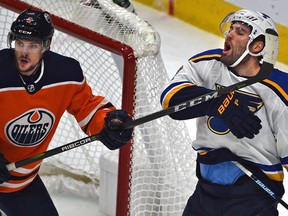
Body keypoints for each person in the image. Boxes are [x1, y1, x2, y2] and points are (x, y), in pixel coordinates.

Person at [0, 9, 133, 216]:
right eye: (19, 44)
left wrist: (108, 122)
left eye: (32, 45)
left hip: (21, 183)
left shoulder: (65, 73)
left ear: (46, 45)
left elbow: (88, 107)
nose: (23, 53)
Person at [160, 9, 287, 216]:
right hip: (205, 192)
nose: (230, 34)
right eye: (231, 29)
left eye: (240, 31)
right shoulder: (208, 64)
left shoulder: (279, 90)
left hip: (253, 198)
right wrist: (216, 101)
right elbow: (170, 100)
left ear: (257, 46)